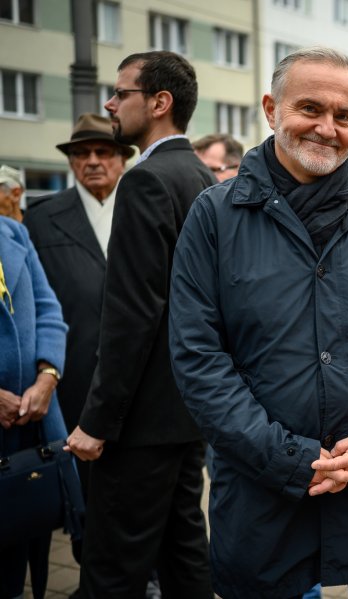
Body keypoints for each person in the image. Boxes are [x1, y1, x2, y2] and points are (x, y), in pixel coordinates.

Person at [168, 47, 348, 598]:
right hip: (263, 488)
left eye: (344, 117)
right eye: (310, 109)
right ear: (272, 108)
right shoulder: (214, 216)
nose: (327, 128)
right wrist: (288, 458)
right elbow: (198, 356)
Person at [63, 51, 215, 597]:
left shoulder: (147, 180)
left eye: (120, 92)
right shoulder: (201, 176)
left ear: (158, 103)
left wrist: (97, 421)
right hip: (189, 411)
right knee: (183, 551)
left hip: (139, 425)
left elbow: (134, 313)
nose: (110, 103)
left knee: (112, 569)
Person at [24, 115, 133, 547]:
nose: (91, 161)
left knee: (135, 488)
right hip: (72, 382)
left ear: (121, 159)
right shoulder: (41, 218)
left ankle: (142, 576)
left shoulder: (141, 206)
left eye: (103, 152)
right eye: (80, 154)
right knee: (81, 492)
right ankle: (92, 579)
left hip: (134, 381)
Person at [0, 215, 68, 599]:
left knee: (18, 545)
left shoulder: (13, 231)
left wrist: (48, 376)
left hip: (26, 426)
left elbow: (48, 309)